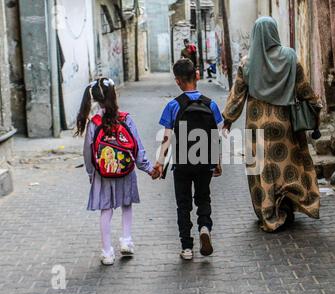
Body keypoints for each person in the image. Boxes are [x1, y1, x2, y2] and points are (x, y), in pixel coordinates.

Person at [222, 17, 321, 233]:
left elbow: (237, 96)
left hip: (256, 126)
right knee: (287, 167)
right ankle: (290, 205)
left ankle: (269, 213)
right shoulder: (290, 58)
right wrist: (315, 105)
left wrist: (228, 119)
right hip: (284, 123)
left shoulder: (247, 63)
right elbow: (303, 89)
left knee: (263, 170)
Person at [75, 77, 159, 266]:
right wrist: (148, 168)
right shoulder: (125, 119)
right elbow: (137, 147)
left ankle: (106, 252)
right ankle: (126, 241)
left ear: (95, 99)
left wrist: (91, 173)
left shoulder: (94, 123)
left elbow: (88, 152)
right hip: (125, 171)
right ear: (114, 95)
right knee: (126, 204)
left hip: (102, 173)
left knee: (106, 209)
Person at [154, 59, 224, 260]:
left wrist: (160, 162)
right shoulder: (211, 104)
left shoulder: (173, 105)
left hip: (182, 162)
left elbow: (167, 138)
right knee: (203, 198)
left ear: (177, 81)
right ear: (198, 76)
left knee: (183, 204)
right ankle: (204, 227)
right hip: (205, 160)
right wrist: (217, 161)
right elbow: (216, 136)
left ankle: (186, 247)